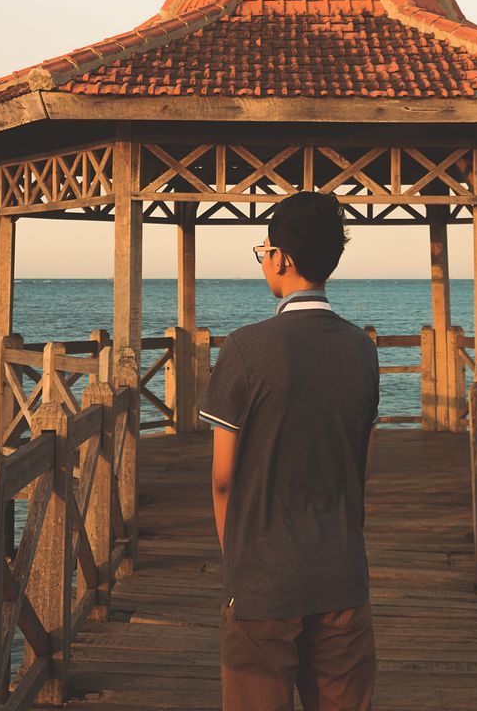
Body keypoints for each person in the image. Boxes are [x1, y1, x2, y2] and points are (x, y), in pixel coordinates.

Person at [199, 191, 380, 711]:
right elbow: (360, 467)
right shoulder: (361, 350)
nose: (265, 261)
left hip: (261, 582)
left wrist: (238, 558)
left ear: (282, 259)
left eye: (264, 251)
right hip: (342, 573)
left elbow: (223, 480)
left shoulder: (245, 349)